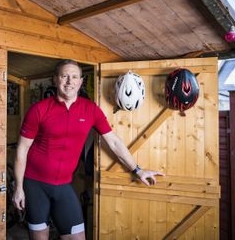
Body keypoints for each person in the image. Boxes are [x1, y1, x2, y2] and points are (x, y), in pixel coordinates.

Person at [12, 59, 164, 240]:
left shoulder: (90, 110)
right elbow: (22, 149)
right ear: (55, 79)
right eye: (64, 76)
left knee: (77, 237)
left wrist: (137, 170)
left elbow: (114, 142)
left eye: (74, 77)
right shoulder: (39, 109)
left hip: (64, 185)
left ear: (81, 81)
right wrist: (19, 187)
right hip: (34, 184)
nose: (69, 81)